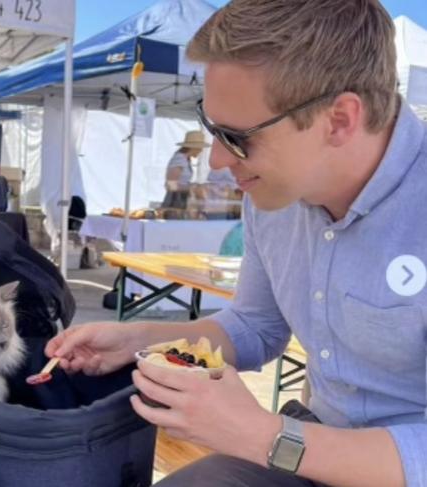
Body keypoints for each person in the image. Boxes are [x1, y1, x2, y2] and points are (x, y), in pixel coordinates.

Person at [45, 1, 426, 485]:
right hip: (310, 447)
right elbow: (254, 326)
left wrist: (264, 437)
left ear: (340, 120)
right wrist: (138, 341)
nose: (217, 162)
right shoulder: (278, 196)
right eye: (209, 127)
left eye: (237, 137)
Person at [161, 130, 209, 209]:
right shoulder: (179, 159)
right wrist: (192, 187)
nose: (201, 150)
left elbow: (181, 183)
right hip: (174, 202)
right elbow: (170, 185)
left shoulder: (186, 160)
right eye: (200, 147)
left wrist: (193, 185)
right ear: (194, 147)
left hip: (182, 200)